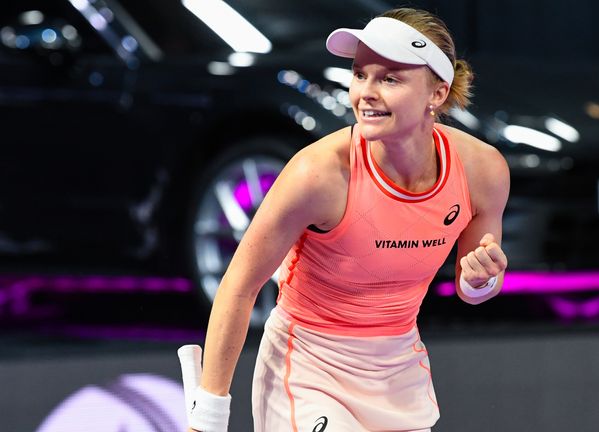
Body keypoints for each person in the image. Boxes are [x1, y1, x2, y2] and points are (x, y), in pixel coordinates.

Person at [185, 7, 510, 432]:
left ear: (437, 93)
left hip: (398, 373)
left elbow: (474, 288)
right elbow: (239, 286)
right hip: (307, 369)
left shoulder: (482, 171)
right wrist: (207, 417)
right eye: (360, 74)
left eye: (390, 78)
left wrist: (482, 278)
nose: (365, 93)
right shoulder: (316, 174)